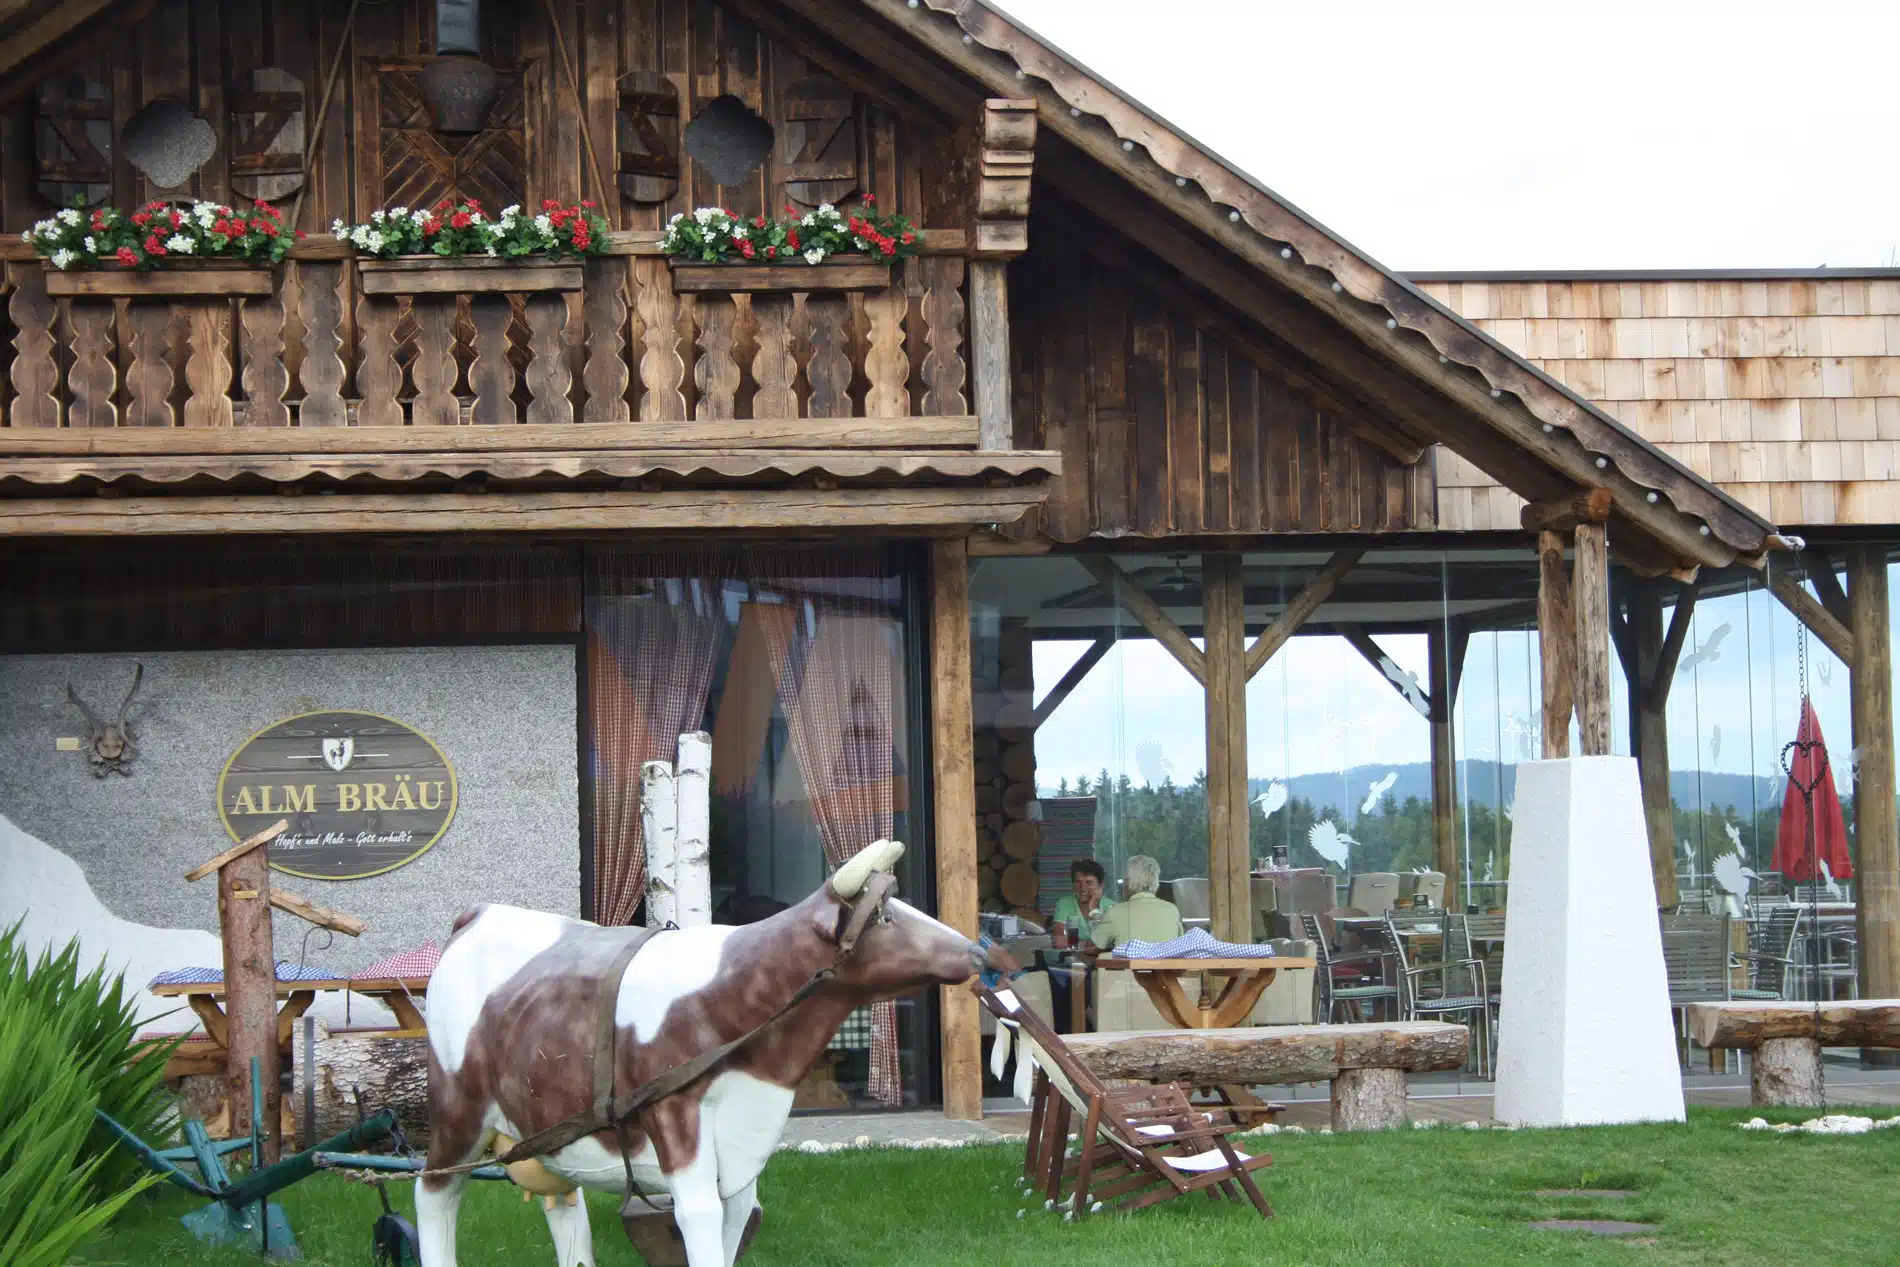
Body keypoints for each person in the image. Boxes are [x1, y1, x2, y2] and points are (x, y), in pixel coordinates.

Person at [1086, 855, 1184, 954]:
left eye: (1124, 880)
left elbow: (1091, 948)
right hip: (1163, 968)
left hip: (1129, 969)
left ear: (1129, 883)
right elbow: (1180, 946)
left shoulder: (1115, 912)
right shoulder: (1172, 910)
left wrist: (1093, 912)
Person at [1050, 858, 1116, 945]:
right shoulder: (1064, 904)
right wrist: (1094, 945)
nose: (1082, 887)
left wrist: (1093, 908)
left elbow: (1112, 941)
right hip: (1072, 958)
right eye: (1078, 882)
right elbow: (1059, 941)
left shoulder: (1112, 907)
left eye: (1089, 882)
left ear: (1101, 885)